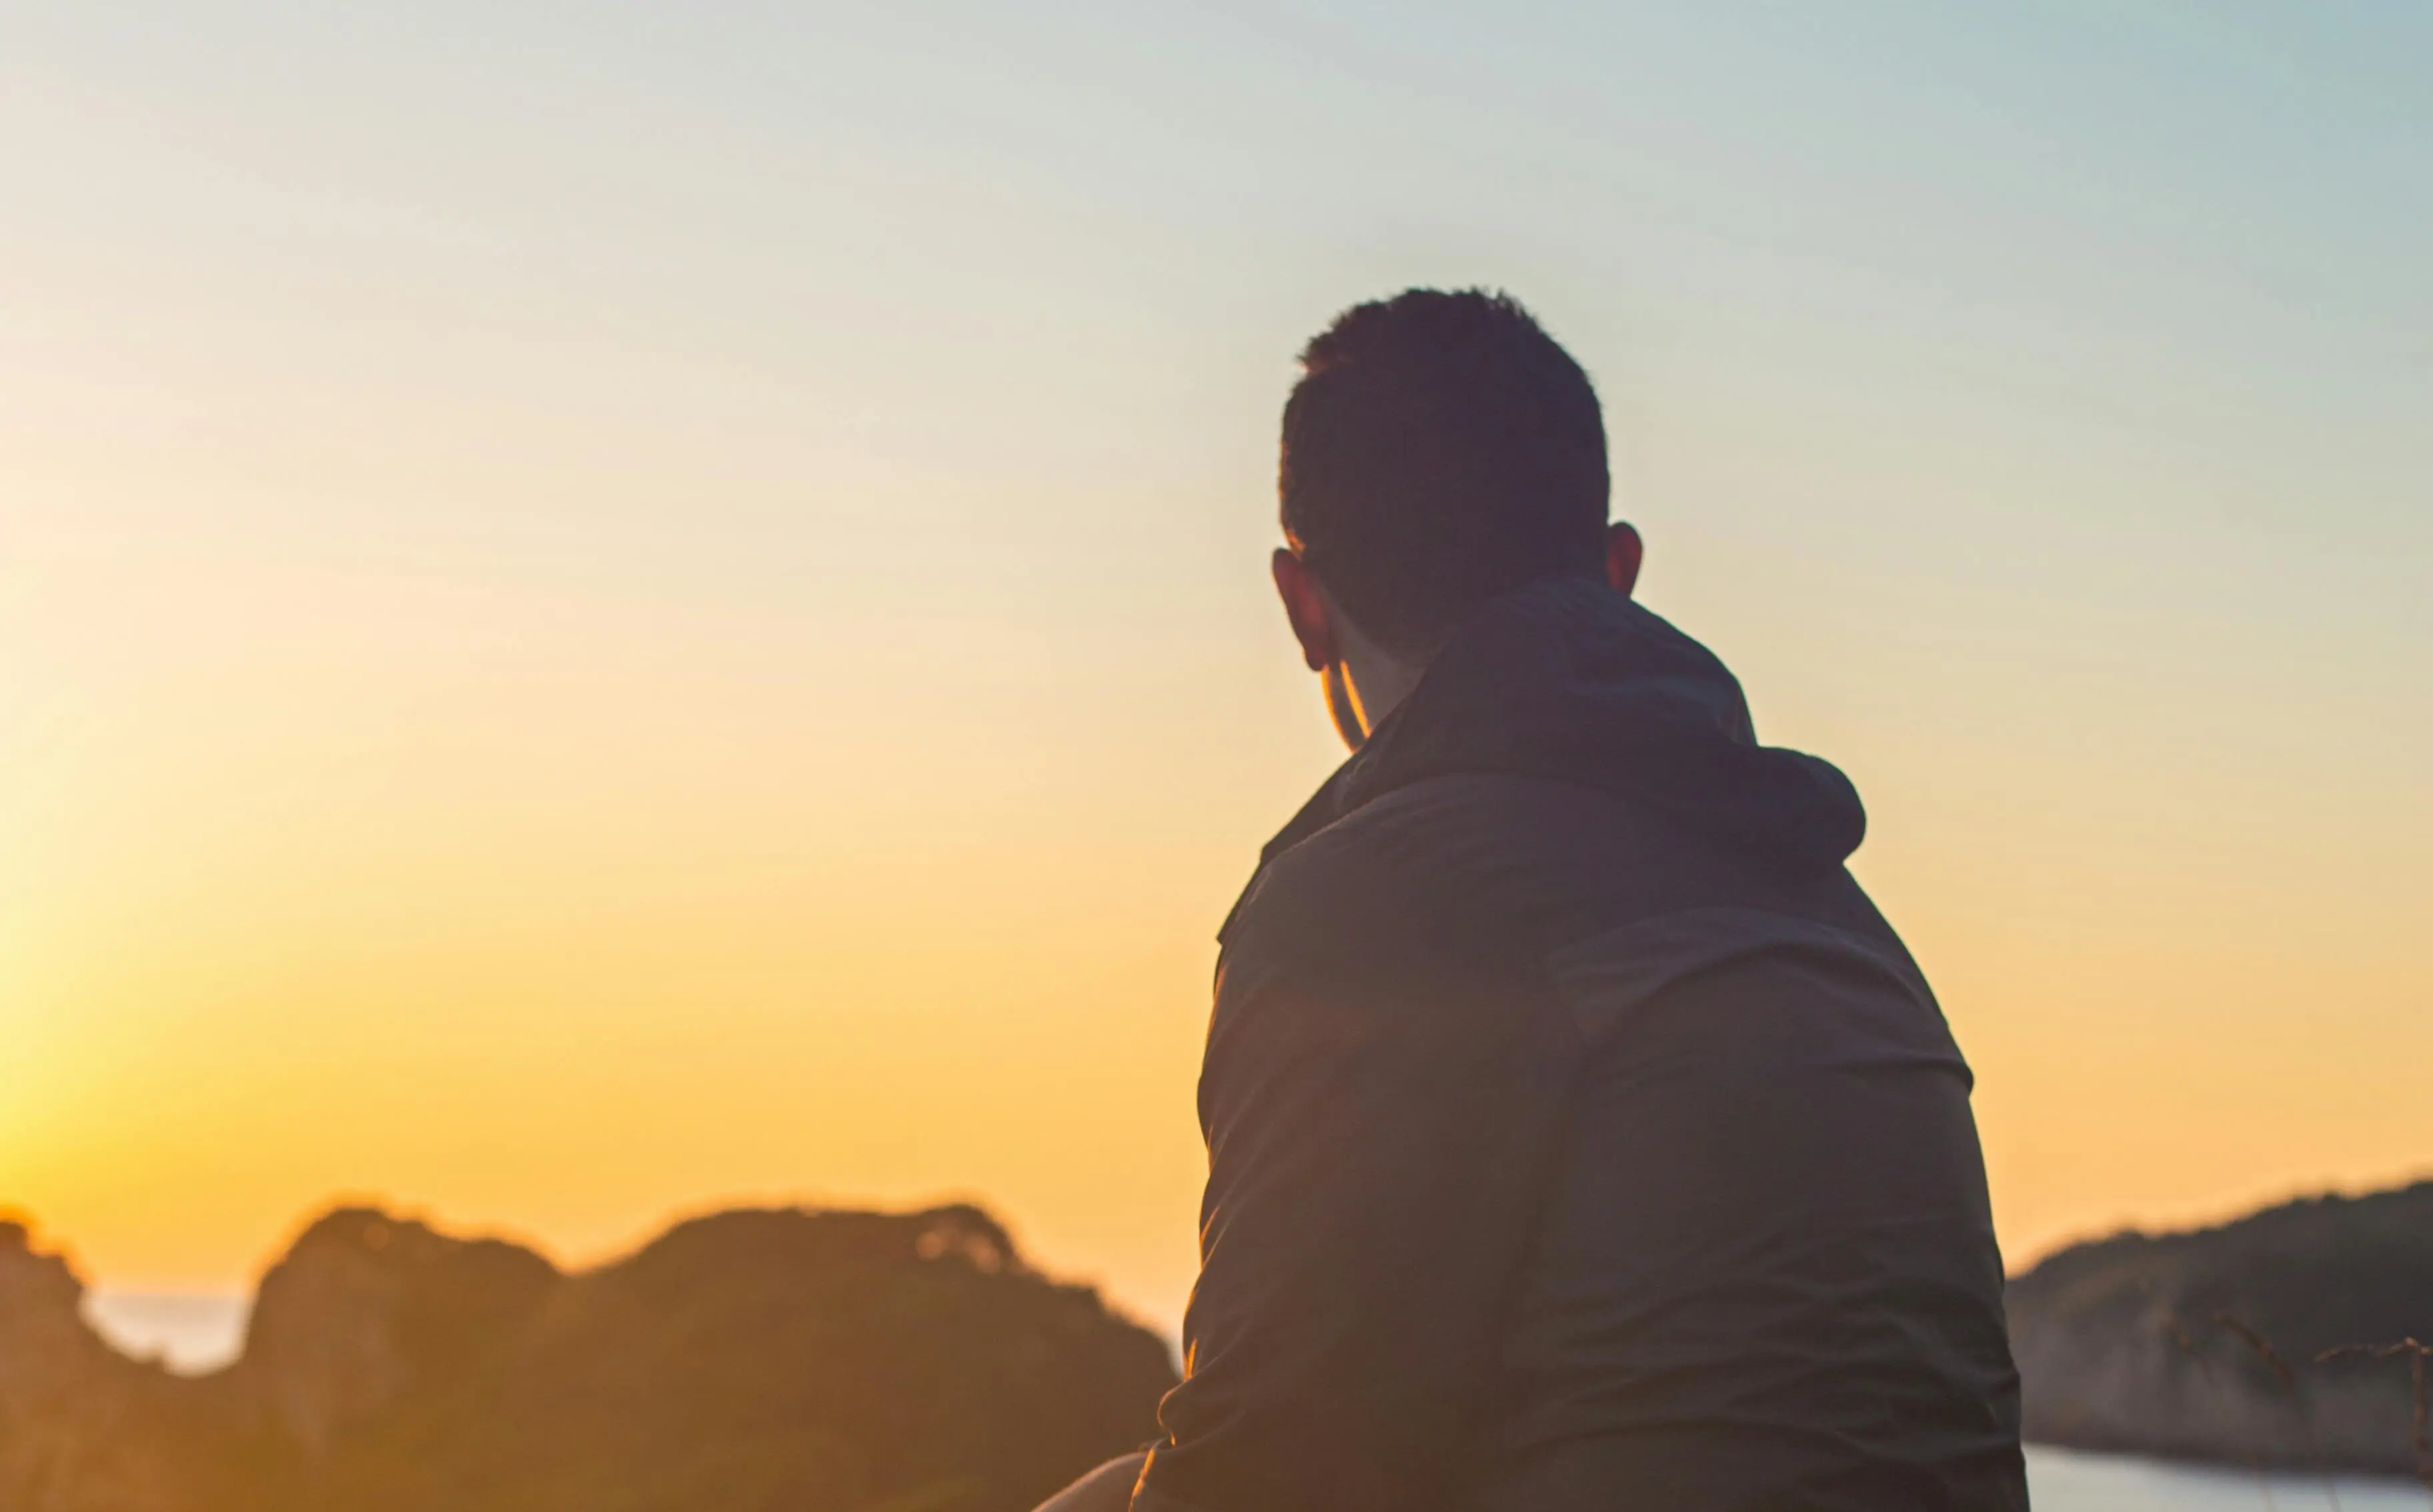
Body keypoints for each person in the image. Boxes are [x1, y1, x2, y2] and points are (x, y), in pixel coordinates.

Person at [1040, 289, 2025, 1512]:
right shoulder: (1825, 897)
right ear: (1617, 572)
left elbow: (1264, 1478)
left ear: (1305, 606)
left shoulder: (1373, 902)